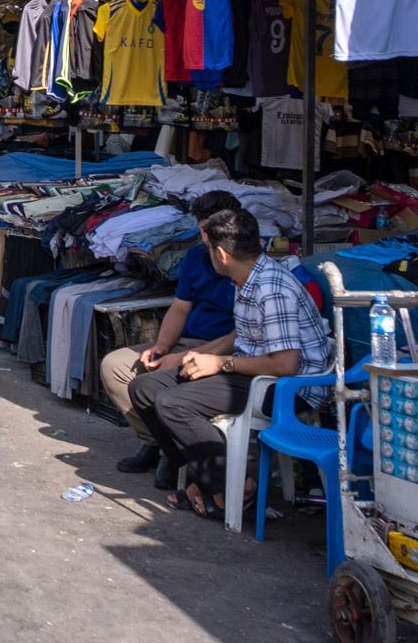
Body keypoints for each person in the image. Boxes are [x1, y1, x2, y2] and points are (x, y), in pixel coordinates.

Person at [127, 208, 332, 518]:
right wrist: (198, 356)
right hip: (253, 370)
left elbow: (285, 365)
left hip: (289, 388)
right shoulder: (245, 278)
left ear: (221, 253)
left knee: (172, 403)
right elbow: (245, 335)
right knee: (144, 388)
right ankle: (207, 480)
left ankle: (234, 490)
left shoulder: (271, 288)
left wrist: (221, 364)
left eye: (208, 247)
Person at [99, 190, 245, 481]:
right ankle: (154, 441)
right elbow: (179, 308)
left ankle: (175, 453)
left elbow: (241, 333)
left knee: (153, 386)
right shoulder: (196, 256)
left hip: (223, 351)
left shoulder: (245, 262)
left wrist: (187, 357)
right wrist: (163, 347)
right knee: (115, 367)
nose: (203, 237)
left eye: (207, 230)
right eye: (202, 229)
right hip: (188, 342)